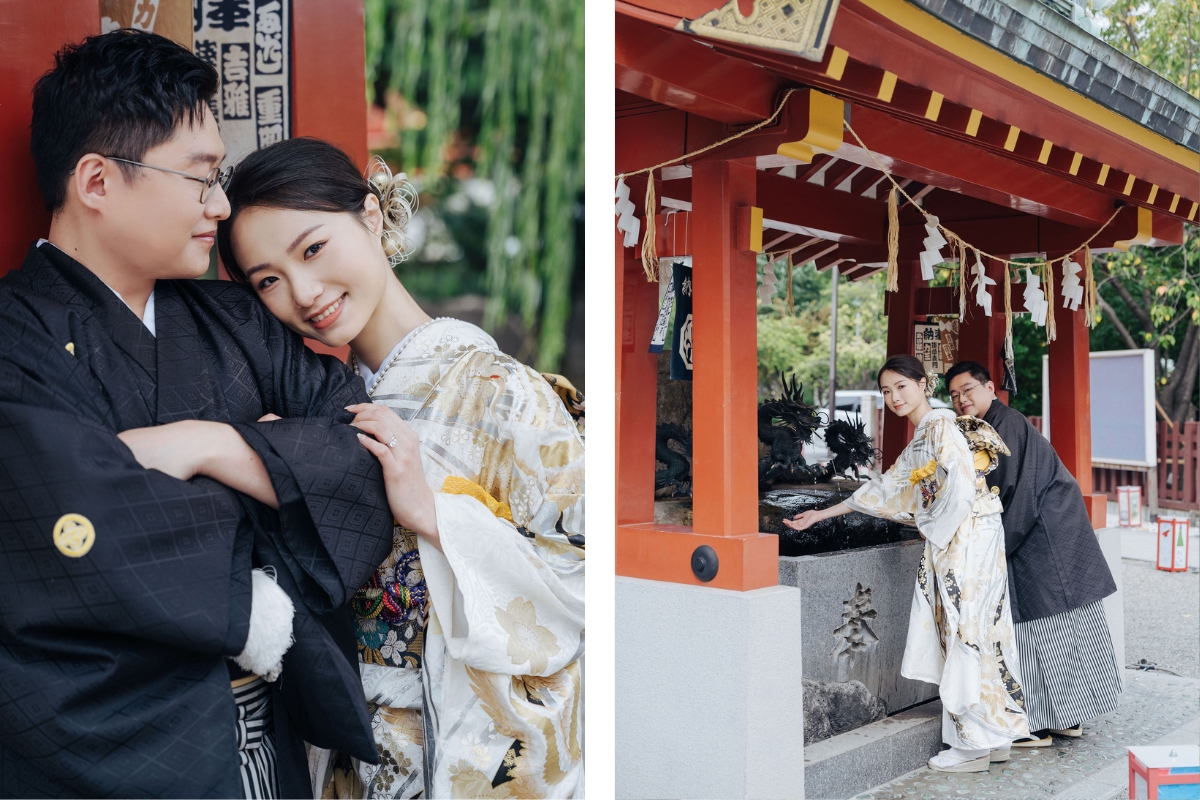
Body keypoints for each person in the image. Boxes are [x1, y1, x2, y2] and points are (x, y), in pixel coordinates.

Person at [0, 31, 395, 797]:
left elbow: (359, 449)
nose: (220, 203)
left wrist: (207, 446)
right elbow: (74, 530)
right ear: (97, 181)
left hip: (263, 736)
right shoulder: (17, 342)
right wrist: (265, 488)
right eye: (201, 177)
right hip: (106, 750)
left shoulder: (236, 320)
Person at [217, 138, 585, 799]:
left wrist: (438, 515)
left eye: (313, 249)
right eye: (267, 279)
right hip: (355, 754)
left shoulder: (504, 391)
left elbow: (585, 577)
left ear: (370, 216)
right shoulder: (310, 411)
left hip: (472, 752)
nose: (304, 292)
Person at [785, 355, 1029, 773]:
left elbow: (960, 488)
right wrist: (822, 514)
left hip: (964, 540)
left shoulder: (940, 425)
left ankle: (972, 746)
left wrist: (931, 523)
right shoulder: (925, 435)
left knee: (963, 629)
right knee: (978, 630)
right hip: (966, 537)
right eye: (885, 391)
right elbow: (885, 488)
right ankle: (993, 735)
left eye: (901, 386)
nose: (894, 396)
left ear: (923, 383)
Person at [945, 360, 1121, 747]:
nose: (961, 400)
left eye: (968, 390)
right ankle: (1067, 718)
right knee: (1062, 630)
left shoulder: (1002, 425)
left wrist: (990, 549)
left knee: (1030, 632)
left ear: (990, 388)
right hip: (1050, 531)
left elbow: (1011, 493)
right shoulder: (995, 425)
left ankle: (1035, 725)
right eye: (954, 395)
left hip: (1038, 535)